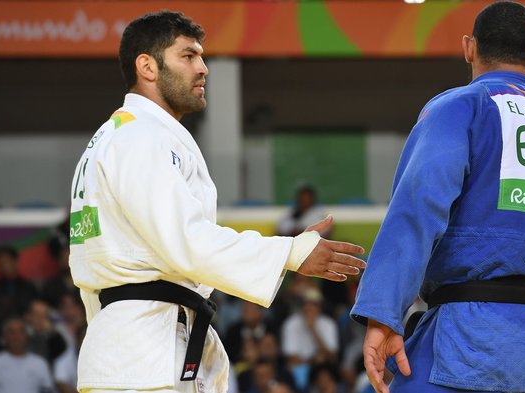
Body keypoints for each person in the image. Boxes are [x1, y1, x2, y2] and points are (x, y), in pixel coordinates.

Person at [68, 10, 365, 393]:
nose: (203, 68)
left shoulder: (127, 134)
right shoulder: (138, 137)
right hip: (142, 355)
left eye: (202, 57)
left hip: (138, 345)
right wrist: (290, 252)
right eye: (188, 56)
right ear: (147, 66)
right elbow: (187, 241)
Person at [350, 2, 525, 393]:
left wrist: (383, 315)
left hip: (465, 344)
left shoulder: (460, 109)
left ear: (469, 48)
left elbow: (418, 209)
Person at [0, 318, 56, 393]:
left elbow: (48, 389)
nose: (16, 336)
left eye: (21, 332)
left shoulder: (40, 363)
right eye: (12, 332)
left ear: (27, 336)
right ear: (4, 337)